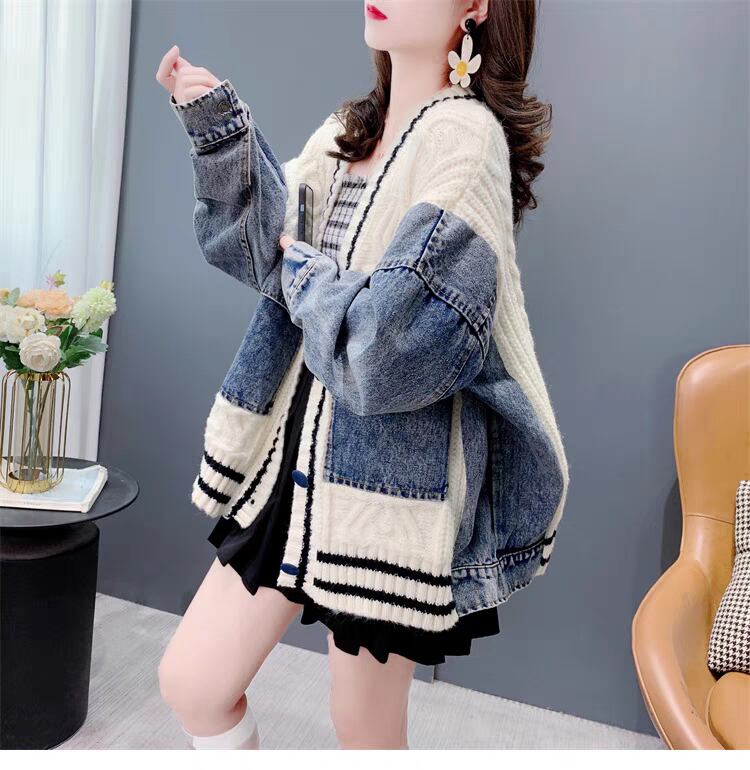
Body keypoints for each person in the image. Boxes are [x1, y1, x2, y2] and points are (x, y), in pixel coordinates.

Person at [155, 0, 568, 751]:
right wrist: (217, 128)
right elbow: (259, 251)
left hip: (389, 490)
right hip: (291, 461)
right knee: (193, 683)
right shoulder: (349, 129)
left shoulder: (466, 140)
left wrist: (304, 271)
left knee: (364, 730)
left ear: (475, 7)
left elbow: (390, 349)